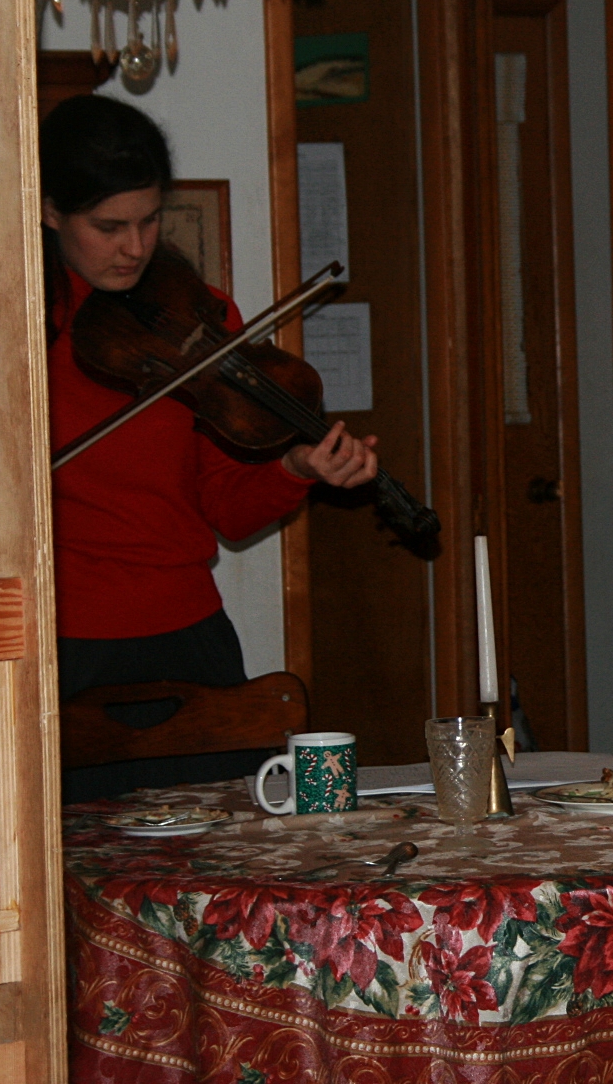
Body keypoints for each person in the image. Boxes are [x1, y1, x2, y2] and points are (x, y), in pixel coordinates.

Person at [43, 94, 379, 803]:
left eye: (148, 220)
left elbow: (227, 508)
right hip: (61, 645)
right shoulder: (18, 321)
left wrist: (294, 469)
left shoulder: (198, 318)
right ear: (48, 212)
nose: (135, 247)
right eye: (108, 227)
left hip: (189, 636)